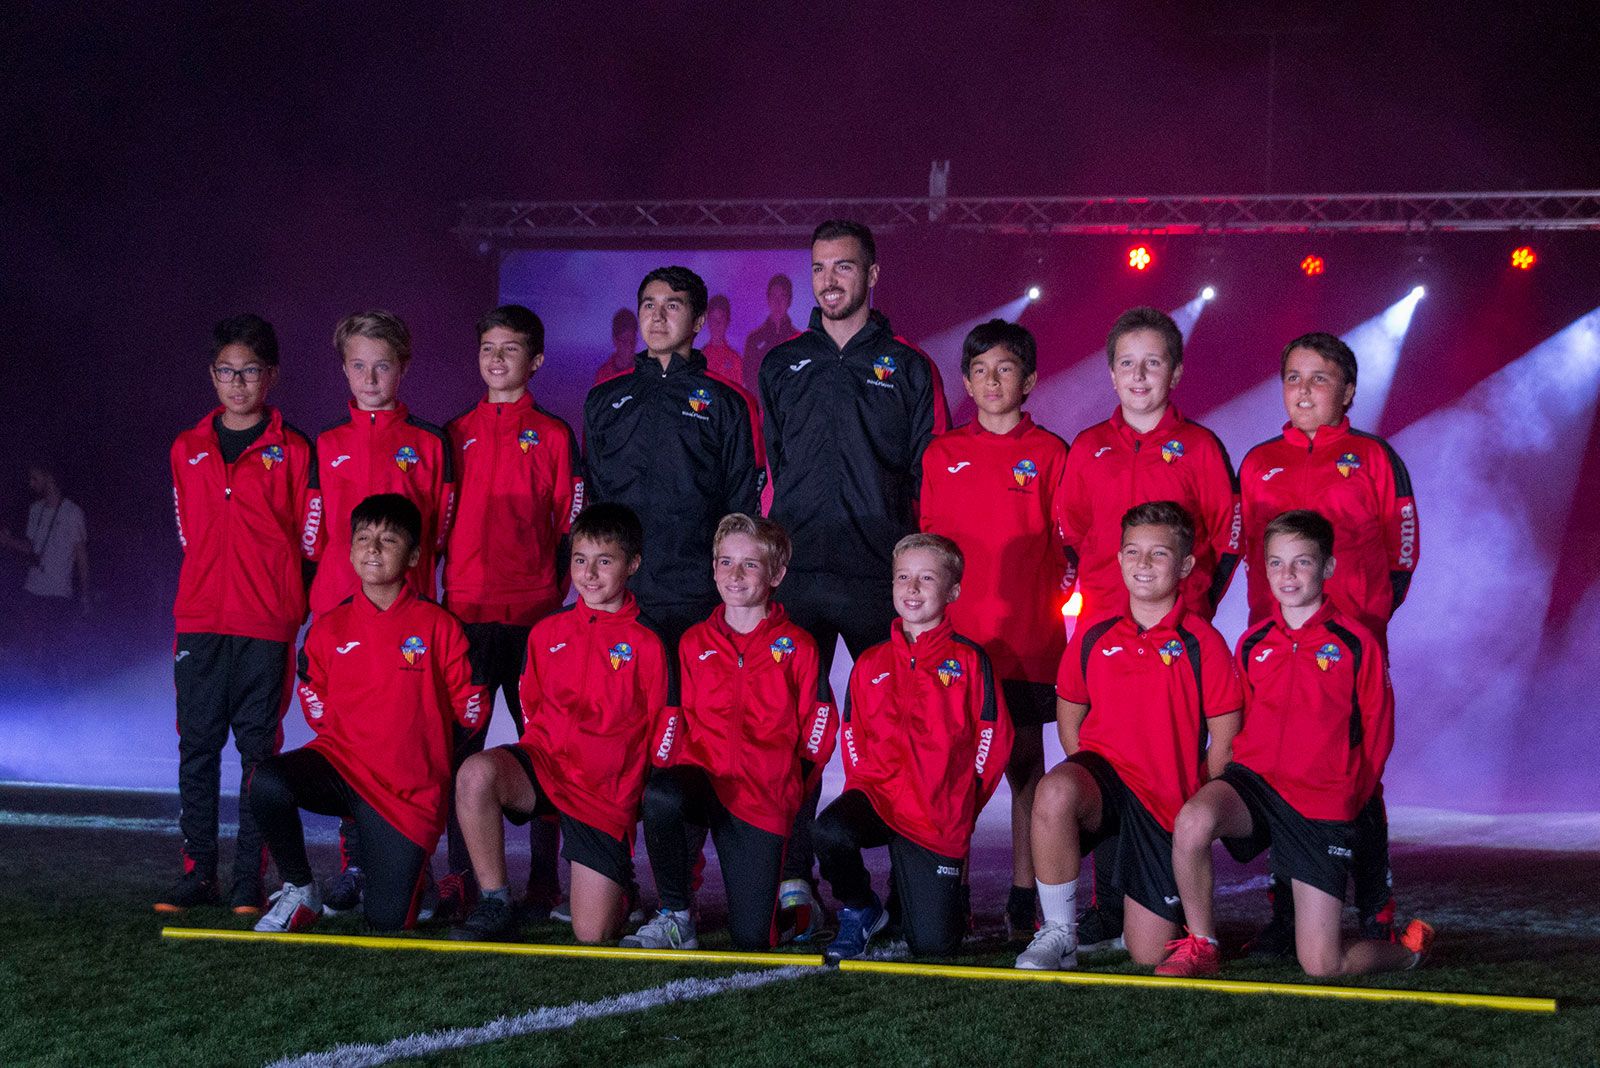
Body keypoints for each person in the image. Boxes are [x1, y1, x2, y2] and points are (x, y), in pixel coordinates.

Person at [760, 220, 950, 939]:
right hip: (800, 576)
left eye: (843, 267)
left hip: (880, 579)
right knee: (791, 737)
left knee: (898, 737)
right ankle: (797, 886)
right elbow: (776, 466)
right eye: (818, 268)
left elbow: (930, 478)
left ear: (872, 275)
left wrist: (917, 573)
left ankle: (911, 892)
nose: (828, 280)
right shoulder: (782, 364)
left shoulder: (909, 367)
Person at [1156, 509, 1433, 977]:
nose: (1288, 575)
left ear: (1327, 567)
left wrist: (1350, 797)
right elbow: (1241, 720)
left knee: (1323, 965)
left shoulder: (1356, 643)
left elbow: (1378, 732)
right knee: (1193, 820)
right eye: (1276, 563)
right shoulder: (1252, 643)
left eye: (1302, 562)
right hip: (1257, 786)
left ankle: (1411, 951)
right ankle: (1202, 946)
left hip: (1318, 803)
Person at [1052, 307, 1240, 949]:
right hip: (1106, 638)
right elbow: (1072, 531)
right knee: (1101, 759)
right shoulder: (1088, 448)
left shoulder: (1201, 447)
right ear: (1110, 373)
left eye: (1152, 362)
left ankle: (1176, 897)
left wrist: (1193, 607)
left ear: (1175, 372)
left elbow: (1227, 536)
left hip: (1173, 642)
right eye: (1127, 363)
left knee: (1169, 769)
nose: (1139, 375)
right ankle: (1106, 906)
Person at [1237, 331, 1420, 953]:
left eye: (1319, 378)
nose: (1304, 389)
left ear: (1348, 391)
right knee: (1276, 771)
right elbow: (1243, 548)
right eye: (1293, 377)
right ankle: (1285, 914)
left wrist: (1367, 619)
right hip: (1277, 647)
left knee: (1356, 774)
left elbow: (1402, 548)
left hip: (1346, 647)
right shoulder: (1259, 461)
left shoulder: (1373, 456)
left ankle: (1375, 909)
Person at [1016, 502, 1242, 971]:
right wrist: (1087, 785)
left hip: (1164, 803)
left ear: (1185, 566)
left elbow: (1224, 741)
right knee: (1055, 790)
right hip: (1106, 785)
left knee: (1149, 953)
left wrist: (1198, 815)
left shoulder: (1204, 643)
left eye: (1159, 554)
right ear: (1118, 559)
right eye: (1133, 552)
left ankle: (1165, 908)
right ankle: (1059, 933)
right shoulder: (1094, 634)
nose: (1143, 563)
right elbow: (1070, 715)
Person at [249, 494, 483, 933]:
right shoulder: (329, 626)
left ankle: (416, 879)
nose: (373, 548)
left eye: (388, 540)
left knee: (387, 924)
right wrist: (353, 738)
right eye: (363, 538)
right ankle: (301, 889)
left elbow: (470, 711)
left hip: (406, 795)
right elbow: (313, 694)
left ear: (414, 556)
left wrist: (419, 756)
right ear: (351, 550)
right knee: (267, 781)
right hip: (343, 767)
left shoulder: (440, 626)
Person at [156, 314, 318, 915]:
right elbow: (188, 531)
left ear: (271, 375)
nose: (237, 383)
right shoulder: (186, 447)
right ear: (212, 375)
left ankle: (249, 879)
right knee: (197, 748)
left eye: (249, 371)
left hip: (265, 625)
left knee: (258, 754)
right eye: (226, 371)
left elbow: (310, 539)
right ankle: (199, 872)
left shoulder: (295, 449)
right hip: (199, 620)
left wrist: (287, 603)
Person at [451, 503, 670, 944]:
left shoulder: (649, 641)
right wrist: (546, 750)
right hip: (547, 766)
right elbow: (530, 704)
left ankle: (620, 887)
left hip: (603, 790)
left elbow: (661, 726)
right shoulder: (546, 631)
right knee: (475, 774)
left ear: (632, 564)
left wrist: (631, 789)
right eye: (580, 560)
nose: (589, 574)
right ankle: (495, 901)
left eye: (604, 561)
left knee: (592, 934)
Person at [919, 319, 1070, 939]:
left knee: (1026, 769)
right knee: (953, 770)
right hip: (956, 645)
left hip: (1028, 641)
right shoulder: (942, 453)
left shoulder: (1052, 453)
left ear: (1028, 380)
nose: (991, 380)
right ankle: (946, 890)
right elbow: (928, 550)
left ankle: (1023, 893)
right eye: (979, 370)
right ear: (965, 381)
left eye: (1005, 369)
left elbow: (1070, 543)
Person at [625, 513, 835, 950]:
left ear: (776, 574)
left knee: (754, 940)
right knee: (662, 795)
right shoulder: (693, 642)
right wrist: (668, 767)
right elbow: (672, 717)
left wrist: (791, 787)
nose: (734, 575)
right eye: (725, 562)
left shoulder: (798, 645)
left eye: (749, 564)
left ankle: (801, 911)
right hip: (703, 781)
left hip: (761, 797)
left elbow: (819, 727)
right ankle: (676, 914)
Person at [439, 305, 583, 923]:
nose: (497, 359)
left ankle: (545, 881)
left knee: (546, 749)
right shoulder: (452, 433)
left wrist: (548, 594)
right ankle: (462, 878)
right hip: (466, 618)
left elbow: (570, 523)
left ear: (536, 360)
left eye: (511, 349)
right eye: (487, 348)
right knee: (460, 751)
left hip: (533, 621)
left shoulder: (553, 434)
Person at [311, 310, 454, 913]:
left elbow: (440, 531)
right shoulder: (324, 444)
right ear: (344, 369)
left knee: (410, 745)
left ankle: (416, 861)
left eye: (382, 366)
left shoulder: (430, 443)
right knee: (346, 743)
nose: (370, 378)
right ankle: (354, 863)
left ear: (403, 368)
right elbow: (313, 535)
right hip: (340, 622)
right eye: (358, 366)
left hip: (407, 624)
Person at [815, 533, 1013, 962]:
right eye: (903, 577)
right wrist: (863, 783)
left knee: (933, 947)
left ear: (953, 591)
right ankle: (860, 907)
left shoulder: (970, 661)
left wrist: (962, 802)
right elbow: (851, 732)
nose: (913, 587)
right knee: (829, 830)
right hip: (878, 797)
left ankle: (914, 902)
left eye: (927, 578)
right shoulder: (870, 662)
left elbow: (992, 738)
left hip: (935, 814)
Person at [583, 266, 762, 656]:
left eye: (672, 305)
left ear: (698, 321)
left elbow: (742, 507)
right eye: (649, 305)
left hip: (695, 594)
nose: (657, 316)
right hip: (618, 592)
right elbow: (592, 498)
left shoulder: (728, 403)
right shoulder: (603, 400)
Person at [1, 462, 89, 667]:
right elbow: (31, 548)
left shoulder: (72, 512)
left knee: (52, 653)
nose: (31, 483)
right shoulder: (35, 509)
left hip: (58, 593)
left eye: (35, 478)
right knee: (27, 649)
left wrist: (85, 595)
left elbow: (81, 556)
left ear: (49, 478)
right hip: (32, 588)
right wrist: (8, 541)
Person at [741, 273, 796, 396]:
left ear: (789, 300)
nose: (777, 301)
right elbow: (748, 378)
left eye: (782, 296)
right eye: (773, 296)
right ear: (768, 299)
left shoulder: (798, 340)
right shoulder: (754, 339)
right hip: (761, 404)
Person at [701, 294, 743, 384]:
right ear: (708, 321)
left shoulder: (735, 360)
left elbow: (738, 390)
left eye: (721, 319)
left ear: (727, 321)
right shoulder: (699, 359)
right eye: (713, 319)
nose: (717, 324)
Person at [594, 308, 640, 385]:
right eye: (624, 341)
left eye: (632, 341)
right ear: (615, 340)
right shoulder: (603, 376)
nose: (629, 347)